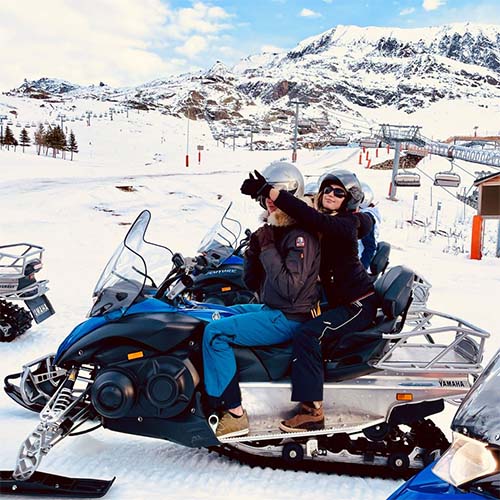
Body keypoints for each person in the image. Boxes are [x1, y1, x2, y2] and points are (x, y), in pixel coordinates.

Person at [241, 168, 377, 432]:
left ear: (349, 199)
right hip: (339, 301)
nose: (331, 194)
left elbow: (310, 217)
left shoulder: (345, 223)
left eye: (339, 192)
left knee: (308, 334)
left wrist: (269, 191)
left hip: (357, 305)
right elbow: (306, 217)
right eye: (327, 189)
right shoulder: (334, 220)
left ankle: (312, 411)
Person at [203, 161, 321, 438]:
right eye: (265, 196)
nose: (269, 202)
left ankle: (234, 413)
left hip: (289, 317)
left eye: (275, 195)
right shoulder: (279, 230)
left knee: (215, 333)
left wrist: (267, 247)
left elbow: (290, 287)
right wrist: (253, 254)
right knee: (213, 314)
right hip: (274, 307)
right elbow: (254, 284)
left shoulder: (300, 236)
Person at [358, 182, 382, 270]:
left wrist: (361, 269)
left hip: (359, 263)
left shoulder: (366, 217)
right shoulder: (363, 213)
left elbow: (369, 246)